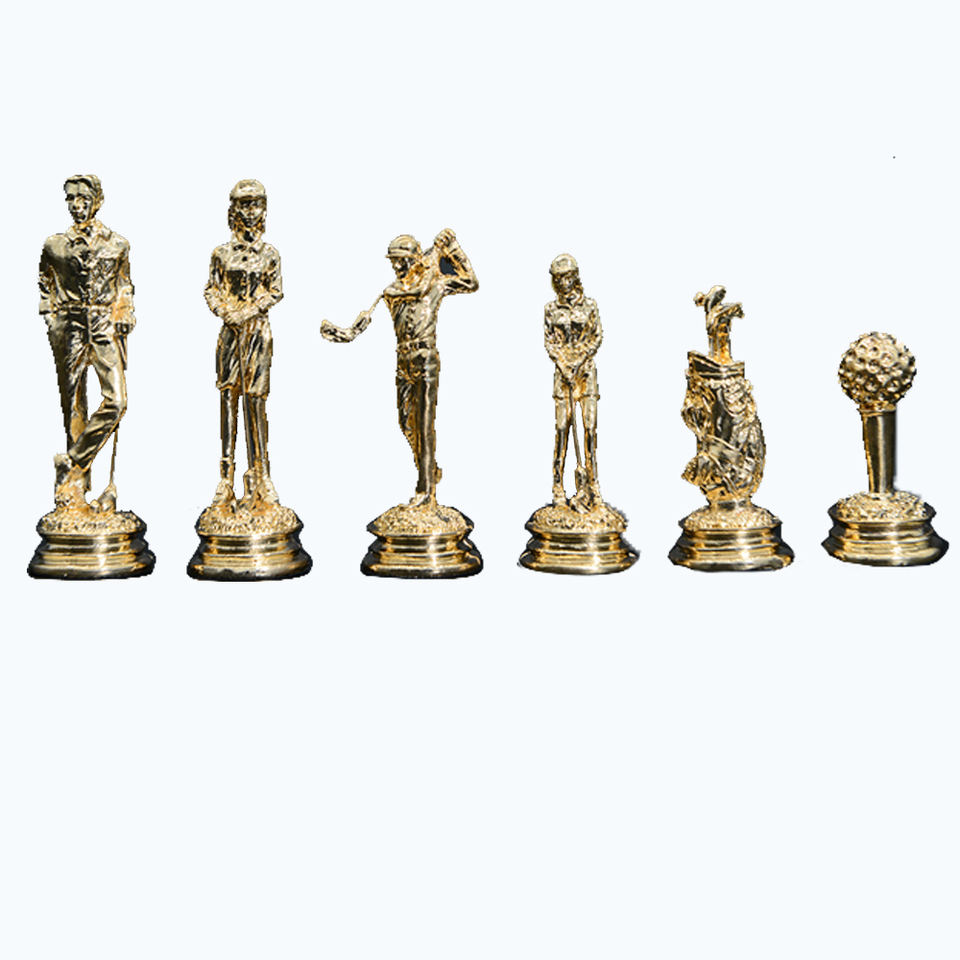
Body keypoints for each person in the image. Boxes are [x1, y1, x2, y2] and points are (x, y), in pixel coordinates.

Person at [327, 229, 478, 505]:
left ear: (415, 260)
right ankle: (428, 469)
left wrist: (452, 249)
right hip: (403, 360)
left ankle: (425, 489)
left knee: (424, 424)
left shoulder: (435, 283)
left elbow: (470, 282)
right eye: (393, 261)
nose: (397, 266)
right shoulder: (391, 293)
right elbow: (360, 324)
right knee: (406, 422)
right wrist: (345, 333)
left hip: (425, 358)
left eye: (401, 260)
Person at [39, 174, 135, 511]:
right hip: (69, 327)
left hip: (104, 325)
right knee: (74, 405)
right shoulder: (55, 245)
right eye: (71, 198)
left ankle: (72, 461)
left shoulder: (117, 244)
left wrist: (125, 311)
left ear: (97, 201)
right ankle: (76, 488)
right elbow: (45, 283)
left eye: (83, 198)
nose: (76, 205)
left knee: (117, 401)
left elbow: (124, 285)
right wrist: (51, 317)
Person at [203, 179, 283, 506]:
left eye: (256, 205)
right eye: (244, 205)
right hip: (230, 334)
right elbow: (211, 290)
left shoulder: (270, 254)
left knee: (256, 400)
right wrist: (226, 311)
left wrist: (248, 310)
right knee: (228, 398)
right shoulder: (221, 254)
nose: (250, 212)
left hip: (257, 333)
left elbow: (275, 291)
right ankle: (226, 478)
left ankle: (261, 475)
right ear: (234, 210)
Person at [544, 254, 602, 508]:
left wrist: (578, 361)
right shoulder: (551, 309)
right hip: (563, 376)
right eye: (559, 278)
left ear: (575, 277)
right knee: (561, 429)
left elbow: (596, 336)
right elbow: (550, 341)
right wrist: (563, 364)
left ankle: (593, 484)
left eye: (567, 277)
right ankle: (557, 485)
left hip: (585, 374)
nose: (563, 282)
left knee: (589, 429)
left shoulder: (589, 306)